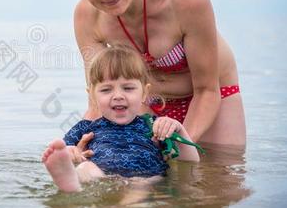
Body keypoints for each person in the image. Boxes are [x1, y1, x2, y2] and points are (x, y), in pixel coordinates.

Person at [69, 0, 245, 146]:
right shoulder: (87, 17)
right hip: (145, 103)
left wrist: (181, 146)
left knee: (215, 176)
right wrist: (77, 147)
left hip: (212, 96)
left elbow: (206, 90)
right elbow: (97, 99)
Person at [42, 46, 199, 193]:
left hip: (146, 178)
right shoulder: (85, 128)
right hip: (102, 176)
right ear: (92, 96)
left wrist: (179, 129)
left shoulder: (154, 125)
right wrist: (71, 153)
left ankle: (123, 207)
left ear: (145, 92)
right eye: (106, 89)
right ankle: (70, 182)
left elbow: (190, 161)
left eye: (128, 88)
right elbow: (63, 149)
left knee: (141, 185)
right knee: (85, 168)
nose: (118, 96)